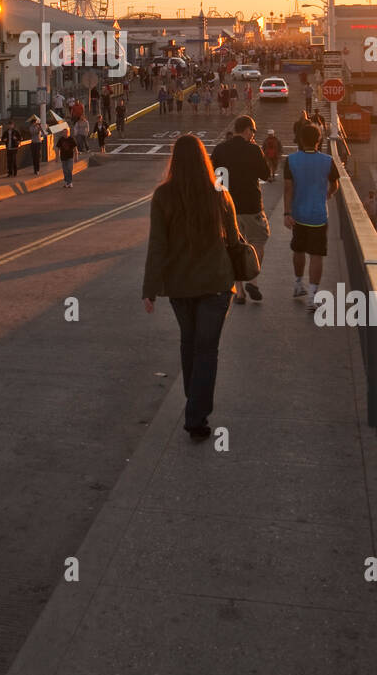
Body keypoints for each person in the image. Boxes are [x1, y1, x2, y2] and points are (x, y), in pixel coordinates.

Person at [142, 134, 241, 441]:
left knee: (189, 342)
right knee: (207, 349)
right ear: (204, 160)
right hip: (216, 283)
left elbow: (157, 245)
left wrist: (150, 288)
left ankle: (193, 401)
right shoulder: (219, 192)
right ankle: (197, 416)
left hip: (180, 285)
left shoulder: (163, 195)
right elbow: (235, 240)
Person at [210, 115, 271, 305]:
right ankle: (252, 280)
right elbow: (266, 175)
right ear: (246, 130)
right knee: (258, 242)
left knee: (233, 247)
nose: (253, 135)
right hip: (252, 206)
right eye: (253, 131)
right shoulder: (253, 150)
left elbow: (216, 180)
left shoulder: (220, 149)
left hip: (229, 208)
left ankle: (240, 291)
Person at [284, 122, 341, 311]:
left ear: (300, 140)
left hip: (298, 214)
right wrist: (328, 194)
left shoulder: (291, 160)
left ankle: (298, 284)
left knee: (298, 250)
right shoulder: (327, 161)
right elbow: (335, 185)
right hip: (318, 215)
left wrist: (287, 212)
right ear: (319, 140)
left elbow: (288, 189)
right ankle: (313, 295)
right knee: (317, 254)